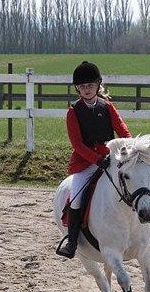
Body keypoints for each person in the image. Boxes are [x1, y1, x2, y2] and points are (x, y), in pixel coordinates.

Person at [56, 61, 132, 259]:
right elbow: (77, 145)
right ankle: (72, 241)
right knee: (76, 197)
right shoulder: (74, 111)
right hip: (86, 163)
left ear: (98, 85)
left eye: (89, 85)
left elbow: (122, 129)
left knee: (135, 180)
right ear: (77, 88)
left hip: (110, 157)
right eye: (82, 87)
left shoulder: (107, 106)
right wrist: (97, 159)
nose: (86, 89)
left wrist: (128, 147)